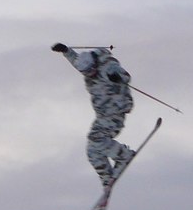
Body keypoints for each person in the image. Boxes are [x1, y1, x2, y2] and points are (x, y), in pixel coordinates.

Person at [52, 43, 135, 190]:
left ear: (94, 64)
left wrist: (117, 77)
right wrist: (65, 51)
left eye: (90, 71)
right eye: (86, 72)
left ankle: (123, 155)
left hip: (115, 112)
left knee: (97, 139)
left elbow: (125, 76)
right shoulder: (86, 67)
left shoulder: (107, 67)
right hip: (102, 115)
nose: (89, 74)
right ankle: (106, 178)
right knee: (92, 149)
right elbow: (75, 60)